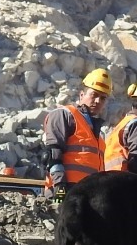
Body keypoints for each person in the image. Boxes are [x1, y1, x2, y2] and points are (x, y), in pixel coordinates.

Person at [42, 68, 112, 200]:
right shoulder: (64, 115)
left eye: (103, 98)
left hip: (89, 197)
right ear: (81, 95)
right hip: (67, 193)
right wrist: (60, 186)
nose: (98, 101)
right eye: (94, 95)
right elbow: (52, 155)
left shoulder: (97, 134)